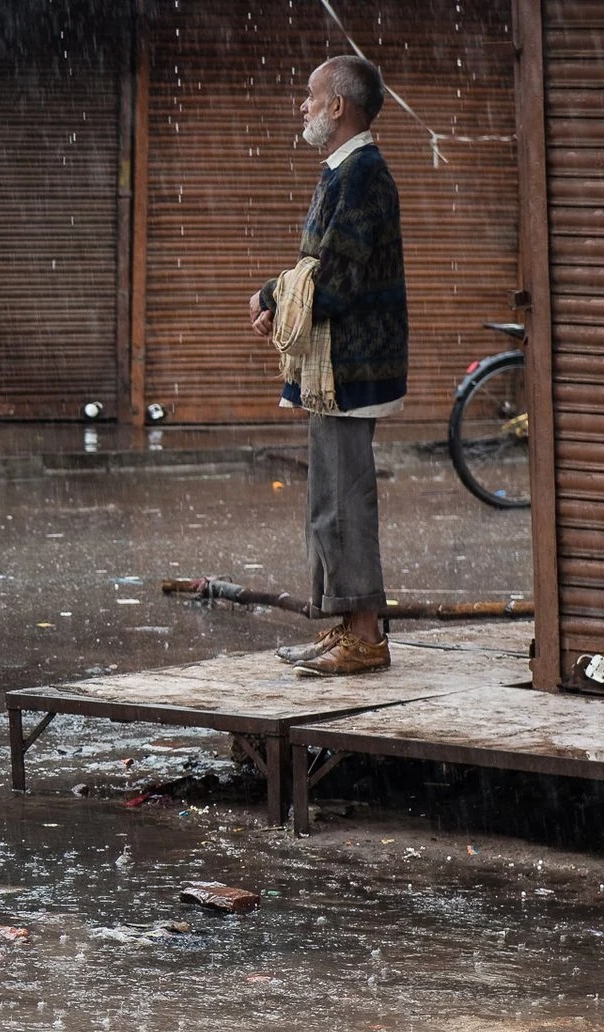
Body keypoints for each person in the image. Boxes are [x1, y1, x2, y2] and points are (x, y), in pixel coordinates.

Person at [249, 54, 407, 677]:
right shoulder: (343, 170)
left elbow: (332, 282)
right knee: (327, 497)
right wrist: (276, 293)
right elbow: (316, 270)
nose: (303, 105)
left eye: (311, 95)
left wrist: (270, 294)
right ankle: (347, 623)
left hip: (352, 365)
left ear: (339, 106)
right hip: (334, 366)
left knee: (344, 499)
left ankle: (365, 637)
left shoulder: (363, 174)